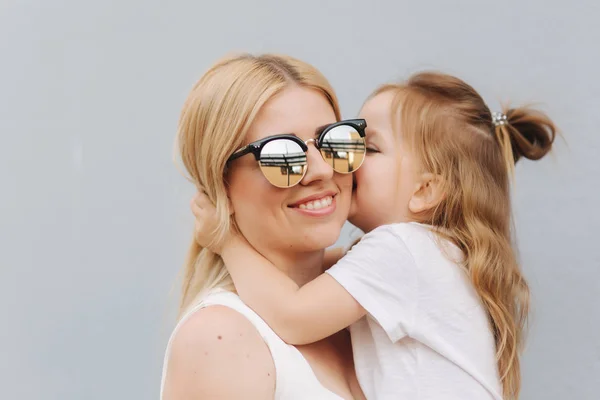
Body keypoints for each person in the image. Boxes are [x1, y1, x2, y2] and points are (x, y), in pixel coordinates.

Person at [192, 72, 557, 399]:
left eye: (367, 147)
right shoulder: (431, 251)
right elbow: (331, 268)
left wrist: (226, 241)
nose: (339, 160)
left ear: (425, 191)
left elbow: (292, 317)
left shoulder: (401, 251)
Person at [160, 53, 368, 400]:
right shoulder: (221, 338)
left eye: (332, 141)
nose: (321, 170)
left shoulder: (370, 310)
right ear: (219, 184)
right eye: (282, 156)